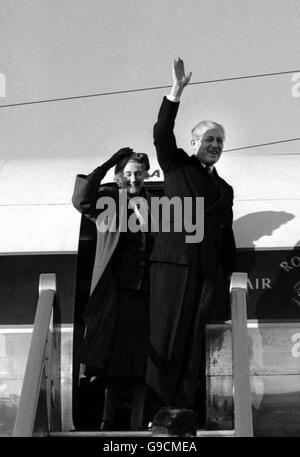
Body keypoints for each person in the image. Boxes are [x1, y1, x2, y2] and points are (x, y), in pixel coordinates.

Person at [146, 58, 236, 418]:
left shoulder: (225, 188)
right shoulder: (177, 165)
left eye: (219, 141)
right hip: (173, 267)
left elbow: (225, 235)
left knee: (193, 346)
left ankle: (183, 413)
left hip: (206, 275)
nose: (214, 145)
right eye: (208, 139)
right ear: (193, 141)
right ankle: (157, 414)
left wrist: (228, 276)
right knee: (166, 341)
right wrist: (175, 92)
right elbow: (161, 134)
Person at [72, 147, 154, 430]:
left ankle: (137, 422)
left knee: (143, 364)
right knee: (113, 364)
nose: (134, 179)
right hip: (115, 294)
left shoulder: (156, 204)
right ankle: (107, 422)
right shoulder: (108, 203)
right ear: (120, 176)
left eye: (139, 174)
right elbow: (81, 200)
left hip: (146, 294)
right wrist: (106, 164)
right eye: (129, 173)